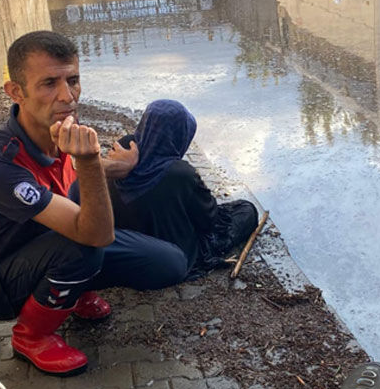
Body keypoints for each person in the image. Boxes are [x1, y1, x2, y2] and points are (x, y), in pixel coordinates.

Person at [0, 31, 188, 377]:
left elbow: (71, 173)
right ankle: (31, 336)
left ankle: (72, 292)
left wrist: (120, 167)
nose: (67, 97)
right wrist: (92, 162)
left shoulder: (58, 127)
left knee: (170, 263)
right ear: (16, 92)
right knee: (85, 248)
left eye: (73, 80)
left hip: (48, 239)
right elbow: (93, 233)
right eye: (49, 83)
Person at [82, 99, 259, 280]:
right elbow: (209, 219)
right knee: (246, 209)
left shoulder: (124, 148)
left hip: (124, 239)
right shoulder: (180, 173)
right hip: (174, 249)